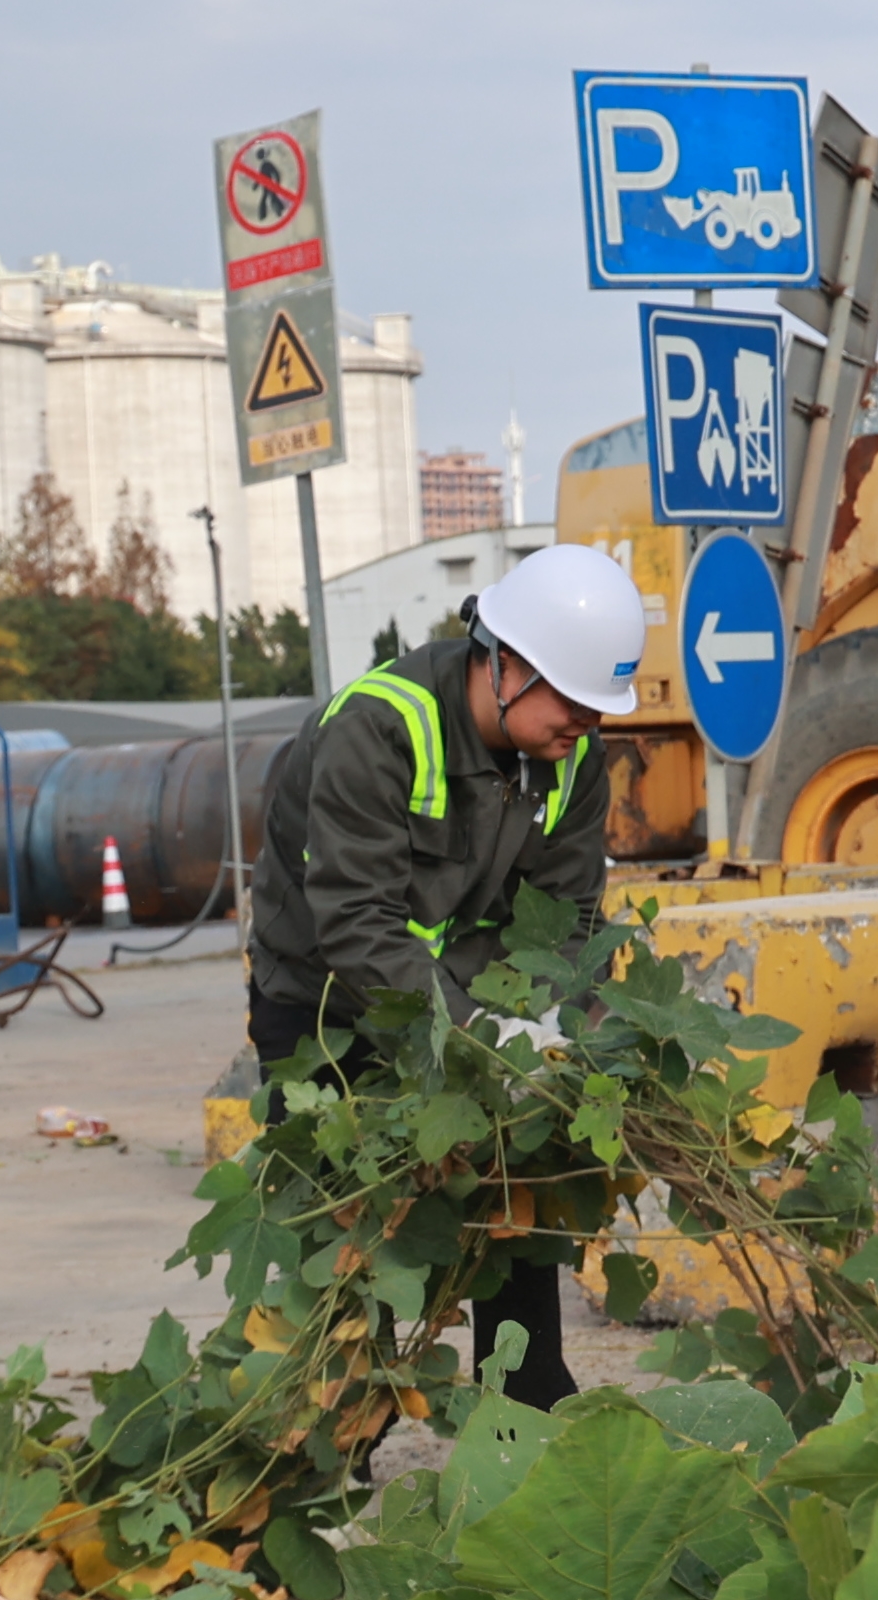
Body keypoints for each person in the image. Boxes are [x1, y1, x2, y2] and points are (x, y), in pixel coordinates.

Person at [242, 543, 646, 1406]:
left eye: (597, 705)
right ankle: (326, 1422)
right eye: (572, 699)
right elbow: (357, 926)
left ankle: (524, 1402)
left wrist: (555, 1030)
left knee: (518, 1184)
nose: (585, 721)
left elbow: (567, 920)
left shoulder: (573, 754)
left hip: (467, 1002)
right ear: (505, 664)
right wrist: (481, 1033)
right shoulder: (379, 728)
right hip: (324, 1007)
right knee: (338, 1241)